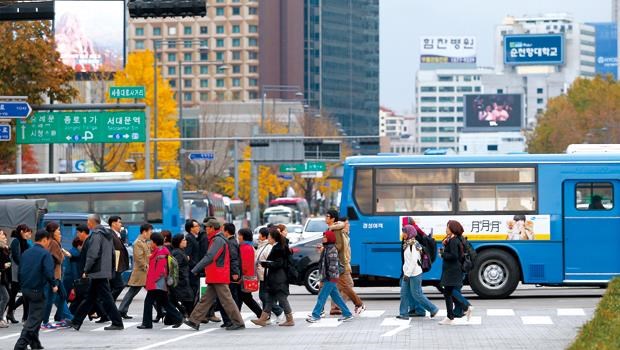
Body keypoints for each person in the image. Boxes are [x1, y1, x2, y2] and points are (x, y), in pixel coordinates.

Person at [184, 219, 245, 331]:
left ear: (212, 228)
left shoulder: (217, 240)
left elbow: (210, 257)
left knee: (227, 300)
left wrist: (195, 269)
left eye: (207, 227)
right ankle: (194, 320)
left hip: (218, 275)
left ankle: (238, 322)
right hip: (215, 275)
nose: (205, 229)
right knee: (206, 300)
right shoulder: (217, 239)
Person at [70, 214, 124, 331]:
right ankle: (76, 321)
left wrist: (86, 269)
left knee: (106, 298)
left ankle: (117, 322)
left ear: (92, 222)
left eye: (88, 221)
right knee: (90, 297)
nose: (87, 223)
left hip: (97, 271)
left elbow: (93, 254)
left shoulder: (96, 234)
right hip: (103, 270)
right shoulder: (107, 233)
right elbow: (112, 253)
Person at [13, 229, 56, 350]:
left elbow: (20, 271)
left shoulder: (26, 252)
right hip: (37, 290)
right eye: (49, 241)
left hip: (25, 289)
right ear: (44, 239)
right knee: (35, 319)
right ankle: (20, 345)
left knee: (34, 316)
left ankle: (35, 344)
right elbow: (48, 271)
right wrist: (54, 284)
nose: (49, 244)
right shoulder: (45, 254)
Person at [137, 232, 183, 329]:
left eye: (150, 241)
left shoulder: (161, 252)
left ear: (154, 242)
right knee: (164, 302)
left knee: (149, 302)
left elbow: (160, 270)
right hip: (158, 283)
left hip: (158, 283)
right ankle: (179, 318)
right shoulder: (159, 251)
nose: (149, 244)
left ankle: (147, 323)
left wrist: (153, 281)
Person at [306, 230, 354, 323]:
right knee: (336, 297)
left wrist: (328, 277)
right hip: (329, 277)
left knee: (322, 296)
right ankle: (347, 314)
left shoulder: (332, 249)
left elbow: (333, 266)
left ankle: (315, 316)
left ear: (330, 238)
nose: (323, 238)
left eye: (325, 237)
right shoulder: (327, 248)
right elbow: (324, 264)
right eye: (323, 237)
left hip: (331, 277)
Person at [251, 228, 294, 327]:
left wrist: (266, 264)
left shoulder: (279, 248)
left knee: (282, 298)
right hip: (275, 277)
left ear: (274, 238)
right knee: (269, 299)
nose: (268, 238)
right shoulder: (277, 246)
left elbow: (279, 263)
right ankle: (262, 319)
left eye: (269, 237)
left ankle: (290, 319)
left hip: (279, 278)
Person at [326, 211, 365, 316]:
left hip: (341, 263)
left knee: (338, 286)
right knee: (346, 286)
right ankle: (358, 304)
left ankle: (335, 307)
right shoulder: (339, 232)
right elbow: (339, 247)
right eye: (347, 224)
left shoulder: (344, 234)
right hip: (340, 264)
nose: (349, 226)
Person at [397, 225, 439, 320]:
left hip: (415, 274)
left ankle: (433, 309)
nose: (403, 234)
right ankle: (403, 314)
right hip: (407, 273)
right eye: (403, 232)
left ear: (410, 233)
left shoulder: (414, 245)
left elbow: (413, 261)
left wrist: (407, 274)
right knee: (404, 293)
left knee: (417, 294)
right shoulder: (407, 244)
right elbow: (407, 261)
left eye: (405, 232)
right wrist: (405, 272)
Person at [438, 220, 473, 325]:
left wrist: (443, 255)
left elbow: (454, 256)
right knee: (448, 292)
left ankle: (466, 306)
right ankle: (450, 317)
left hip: (452, 270)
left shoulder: (453, 240)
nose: (446, 229)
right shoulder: (453, 239)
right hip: (452, 270)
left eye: (448, 227)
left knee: (449, 291)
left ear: (452, 228)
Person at [41, 222, 73, 329]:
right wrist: (62, 252)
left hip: (57, 275)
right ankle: (45, 321)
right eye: (58, 230)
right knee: (51, 299)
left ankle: (64, 317)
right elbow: (59, 259)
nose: (60, 232)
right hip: (53, 276)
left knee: (62, 296)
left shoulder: (54, 242)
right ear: (53, 231)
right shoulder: (53, 243)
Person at [118, 223, 153, 319]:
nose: (151, 233)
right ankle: (121, 310)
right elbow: (139, 258)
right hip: (140, 273)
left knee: (152, 292)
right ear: (144, 232)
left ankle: (122, 310)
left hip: (145, 272)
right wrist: (147, 267)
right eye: (150, 232)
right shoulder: (138, 242)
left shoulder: (145, 242)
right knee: (133, 292)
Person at [255, 227, 283, 324]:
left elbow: (271, 261)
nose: (258, 236)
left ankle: (279, 311)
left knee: (264, 297)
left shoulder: (268, 247)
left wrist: (263, 264)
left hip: (266, 275)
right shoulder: (262, 246)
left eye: (259, 234)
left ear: (264, 236)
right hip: (262, 275)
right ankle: (266, 318)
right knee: (264, 297)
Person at [7, 224, 32, 324]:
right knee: (13, 295)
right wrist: (24, 266)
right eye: (27, 232)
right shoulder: (16, 241)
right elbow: (16, 257)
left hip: (22, 271)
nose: (28, 234)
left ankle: (23, 316)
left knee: (23, 294)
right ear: (21, 231)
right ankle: (10, 313)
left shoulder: (24, 241)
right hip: (16, 272)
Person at [236, 228, 262, 318]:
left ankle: (261, 315)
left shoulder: (245, 247)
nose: (238, 237)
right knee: (242, 298)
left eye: (239, 235)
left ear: (243, 236)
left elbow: (245, 264)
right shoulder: (248, 246)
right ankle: (236, 317)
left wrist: (241, 276)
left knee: (245, 298)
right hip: (247, 276)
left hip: (245, 277)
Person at [220, 223, 241, 328]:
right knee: (229, 298)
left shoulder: (230, 243)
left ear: (227, 231)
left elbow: (234, 259)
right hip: (230, 273)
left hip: (231, 274)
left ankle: (233, 320)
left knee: (231, 298)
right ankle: (229, 320)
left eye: (222, 229)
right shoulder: (231, 241)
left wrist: (235, 273)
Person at [169, 234, 194, 317]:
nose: (185, 241)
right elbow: (176, 268)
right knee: (188, 299)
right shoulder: (178, 253)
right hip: (181, 281)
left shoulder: (179, 251)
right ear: (179, 242)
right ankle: (190, 317)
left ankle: (171, 318)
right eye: (183, 240)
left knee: (175, 299)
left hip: (182, 280)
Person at [108, 216, 129, 302]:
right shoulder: (110, 234)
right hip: (113, 266)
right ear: (113, 223)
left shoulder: (117, 235)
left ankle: (106, 308)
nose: (121, 224)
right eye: (119, 222)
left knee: (111, 288)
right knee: (119, 286)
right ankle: (106, 305)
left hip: (117, 266)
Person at [183, 219, 202, 296]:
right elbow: (188, 255)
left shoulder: (193, 237)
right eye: (196, 226)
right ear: (191, 228)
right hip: (193, 269)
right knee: (194, 288)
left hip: (195, 268)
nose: (199, 227)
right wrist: (195, 267)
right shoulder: (189, 238)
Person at [62, 237, 82, 302]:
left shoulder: (70, 251)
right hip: (72, 279)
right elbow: (74, 269)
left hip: (66, 277)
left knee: (65, 299)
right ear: (79, 245)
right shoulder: (76, 253)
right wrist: (76, 281)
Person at [0, 229, 12, 328]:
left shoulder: (4, 248)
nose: (4, 238)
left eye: (4, 236)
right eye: (2, 236)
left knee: (6, 297)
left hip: (3, 278)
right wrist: (3, 266)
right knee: (6, 297)